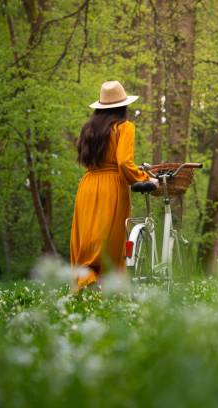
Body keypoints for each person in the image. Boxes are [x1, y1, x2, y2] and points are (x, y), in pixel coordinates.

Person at [70, 81, 157, 290]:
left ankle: (84, 285)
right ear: (123, 106)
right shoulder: (124, 127)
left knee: (87, 242)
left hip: (88, 186)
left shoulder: (88, 129)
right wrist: (144, 178)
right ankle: (107, 290)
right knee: (108, 243)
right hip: (111, 187)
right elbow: (124, 162)